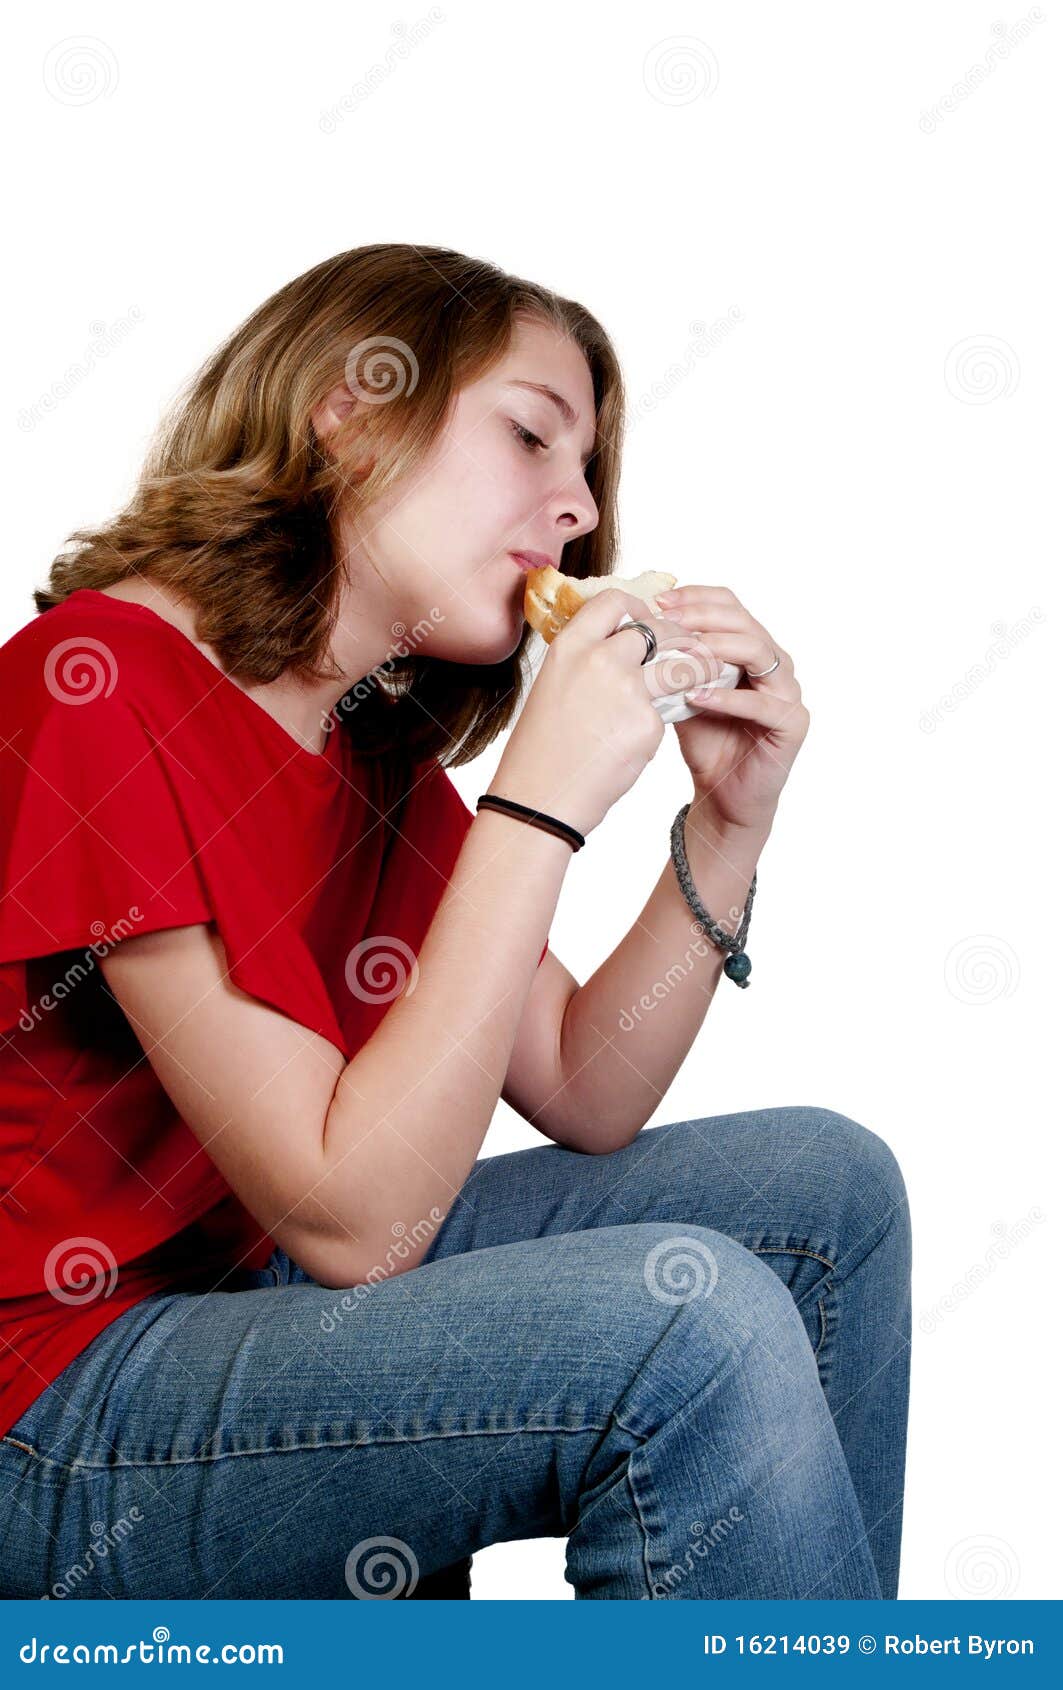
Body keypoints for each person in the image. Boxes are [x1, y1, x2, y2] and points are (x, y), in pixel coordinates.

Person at [0, 243, 910, 1600]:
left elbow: (586, 1083)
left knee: (826, 1193)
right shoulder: (98, 685)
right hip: (50, 1403)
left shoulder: (365, 748)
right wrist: (536, 807)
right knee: (684, 1328)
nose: (579, 508)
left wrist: (727, 825)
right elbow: (353, 1223)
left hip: (234, 1299)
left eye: (588, 469)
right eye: (532, 435)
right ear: (348, 413)